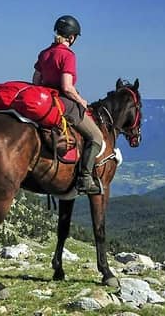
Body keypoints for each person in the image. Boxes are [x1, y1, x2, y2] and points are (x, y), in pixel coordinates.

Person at [32, 15, 103, 194]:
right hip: (63, 102)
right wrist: (82, 101)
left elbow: (36, 81)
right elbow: (67, 87)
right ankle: (85, 179)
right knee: (96, 137)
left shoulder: (44, 53)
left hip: (45, 102)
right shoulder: (68, 55)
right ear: (71, 37)